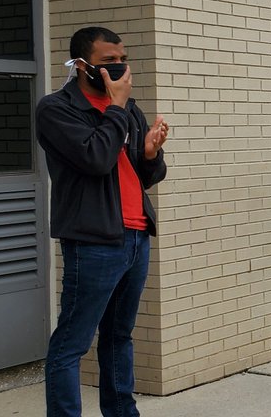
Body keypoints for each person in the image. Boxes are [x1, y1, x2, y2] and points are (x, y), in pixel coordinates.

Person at [36, 27, 169, 416]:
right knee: (71, 343)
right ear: (81, 65)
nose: (118, 67)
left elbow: (144, 177)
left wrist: (149, 153)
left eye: (121, 58)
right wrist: (115, 108)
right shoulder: (56, 108)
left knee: (118, 337)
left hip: (135, 236)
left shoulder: (129, 110)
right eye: (107, 62)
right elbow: (94, 158)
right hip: (93, 241)